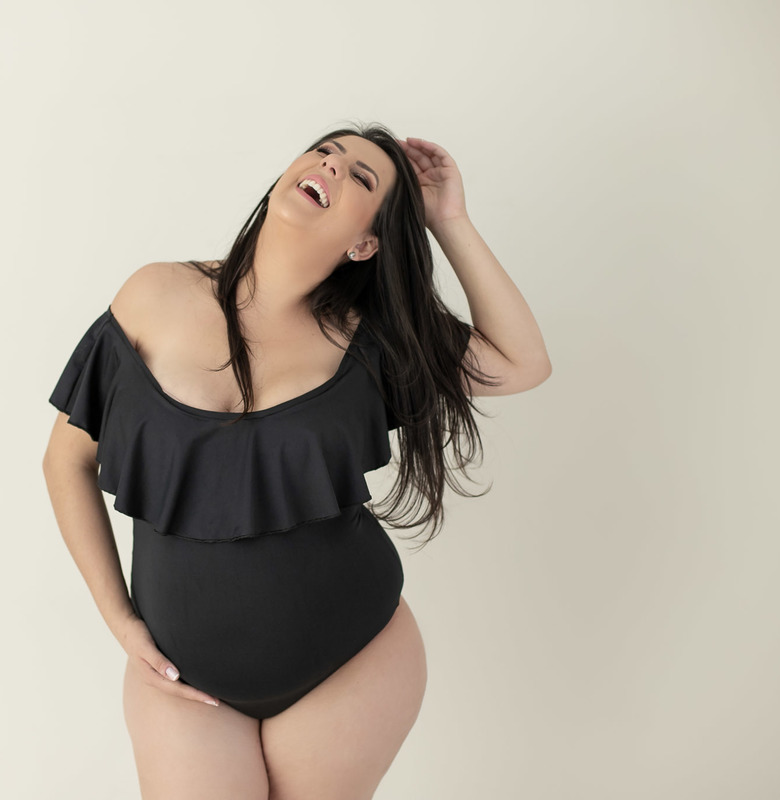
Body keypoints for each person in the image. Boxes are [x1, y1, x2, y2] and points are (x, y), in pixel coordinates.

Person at [42, 123, 552, 799]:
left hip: (351, 663)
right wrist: (120, 621)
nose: (331, 167)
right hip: (181, 680)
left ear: (366, 243)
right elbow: (66, 462)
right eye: (325, 152)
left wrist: (449, 221)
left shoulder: (374, 345)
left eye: (361, 177)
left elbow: (522, 362)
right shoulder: (153, 295)